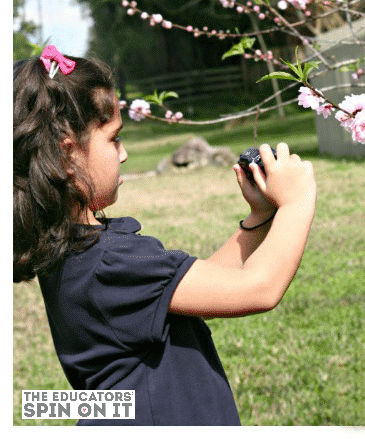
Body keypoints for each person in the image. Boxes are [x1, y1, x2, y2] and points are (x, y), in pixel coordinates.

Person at [13, 47, 317, 426]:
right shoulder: (111, 261)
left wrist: (259, 217)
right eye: (114, 139)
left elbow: (200, 290)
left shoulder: (79, 253)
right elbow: (260, 289)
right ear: (68, 156)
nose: (123, 155)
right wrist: (296, 201)